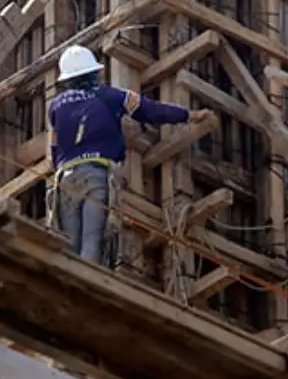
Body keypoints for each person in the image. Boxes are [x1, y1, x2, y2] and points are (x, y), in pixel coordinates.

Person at [48, 45, 213, 265]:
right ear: (93, 73)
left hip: (65, 179)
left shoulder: (55, 106)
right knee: (92, 242)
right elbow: (150, 110)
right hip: (95, 174)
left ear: (66, 79)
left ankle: (67, 288)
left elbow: (53, 148)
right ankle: (87, 288)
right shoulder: (112, 96)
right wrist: (190, 115)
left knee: (70, 245)